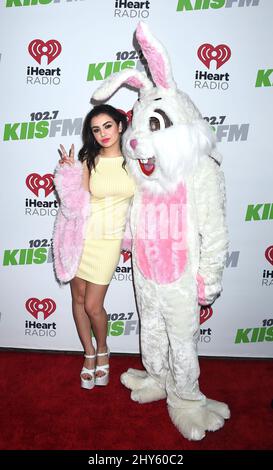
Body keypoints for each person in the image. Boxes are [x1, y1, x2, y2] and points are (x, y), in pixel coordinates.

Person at [54, 104, 135, 390]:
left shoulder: (135, 160)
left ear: (121, 126)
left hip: (109, 241)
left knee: (93, 304)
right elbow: (75, 202)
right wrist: (68, 174)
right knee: (78, 300)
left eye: (108, 126)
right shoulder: (89, 159)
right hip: (81, 237)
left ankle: (103, 348)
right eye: (96, 129)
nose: (103, 133)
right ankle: (89, 354)